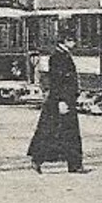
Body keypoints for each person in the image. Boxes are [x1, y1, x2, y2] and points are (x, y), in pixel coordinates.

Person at [28, 35, 88, 173]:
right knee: (54, 132)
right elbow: (57, 81)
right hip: (60, 101)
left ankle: (74, 164)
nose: (74, 43)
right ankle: (38, 159)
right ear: (65, 41)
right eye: (72, 40)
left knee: (64, 133)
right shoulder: (57, 57)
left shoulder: (63, 55)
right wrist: (61, 100)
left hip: (65, 100)